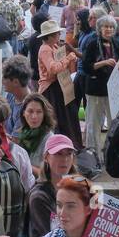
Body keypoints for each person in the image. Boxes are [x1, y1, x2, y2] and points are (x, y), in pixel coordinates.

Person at [79, 15, 119, 162]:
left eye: (111, 27)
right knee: (93, 123)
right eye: (105, 27)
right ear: (100, 28)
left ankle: (111, 154)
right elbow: (86, 67)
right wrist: (103, 63)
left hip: (113, 89)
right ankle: (94, 156)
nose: (109, 29)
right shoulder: (92, 44)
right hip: (95, 88)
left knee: (115, 123)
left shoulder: (116, 44)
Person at [36, 18, 82, 146]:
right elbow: (53, 69)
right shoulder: (45, 49)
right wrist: (68, 58)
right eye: (57, 33)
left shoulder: (54, 46)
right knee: (58, 119)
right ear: (49, 36)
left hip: (59, 87)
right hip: (51, 89)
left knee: (67, 117)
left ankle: (71, 143)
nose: (59, 35)